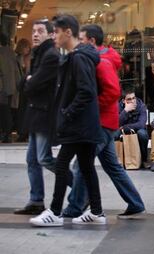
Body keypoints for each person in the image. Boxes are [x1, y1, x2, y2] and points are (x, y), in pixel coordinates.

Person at [62, 24, 146, 219]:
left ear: (91, 41)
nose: (78, 43)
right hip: (105, 123)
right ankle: (135, 202)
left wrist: (92, 106)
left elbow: (112, 91)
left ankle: (75, 206)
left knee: (81, 165)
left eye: (81, 39)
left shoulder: (101, 60)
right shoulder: (101, 58)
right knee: (112, 166)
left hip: (101, 124)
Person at [30, 14, 104, 226]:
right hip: (85, 125)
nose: (54, 36)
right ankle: (97, 212)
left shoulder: (79, 58)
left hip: (79, 125)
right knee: (87, 168)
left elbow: (87, 91)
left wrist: (67, 113)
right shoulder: (79, 56)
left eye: (57, 31)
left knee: (62, 165)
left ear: (68, 32)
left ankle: (54, 212)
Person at [14, 20, 61, 215]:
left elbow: (32, 85)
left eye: (40, 31)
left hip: (44, 114)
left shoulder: (50, 55)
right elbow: (22, 85)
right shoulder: (39, 54)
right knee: (32, 159)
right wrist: (29, 80)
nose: (35, 34)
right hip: (36, 114)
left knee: (44, 158)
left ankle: (79, 190)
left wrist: (30, 81)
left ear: (50, 35)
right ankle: (36, 200)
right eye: (33, 31)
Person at [114, 90, 149, 167]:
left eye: (134, 98)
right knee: (114, 134)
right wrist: (125, 111)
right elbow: (116, 124)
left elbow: (141, 124)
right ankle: (118, 160)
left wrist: (125, 127)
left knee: (142, 134)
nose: (133, 101)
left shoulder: (141, 106)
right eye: (129, 99)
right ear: (123, 101)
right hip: (122, 131)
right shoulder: (118, 107)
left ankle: (144, 160)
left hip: (136, 130)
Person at [0, 33, 19, 143]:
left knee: (3, 111)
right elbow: (15, 71)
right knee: (6, 110)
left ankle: (5, 133)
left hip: (2, 87)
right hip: (10, 86)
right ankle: (6, 133)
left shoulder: (2, 53)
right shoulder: (10, 52)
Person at [14, 38, 32, 142]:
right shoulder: (17, 58)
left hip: (27, 87)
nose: (27, 49)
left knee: (25, 110)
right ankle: (22, 132)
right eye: (26, 47)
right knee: (21, 111)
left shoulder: (29, 58)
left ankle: (25, 132)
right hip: (21, 88)